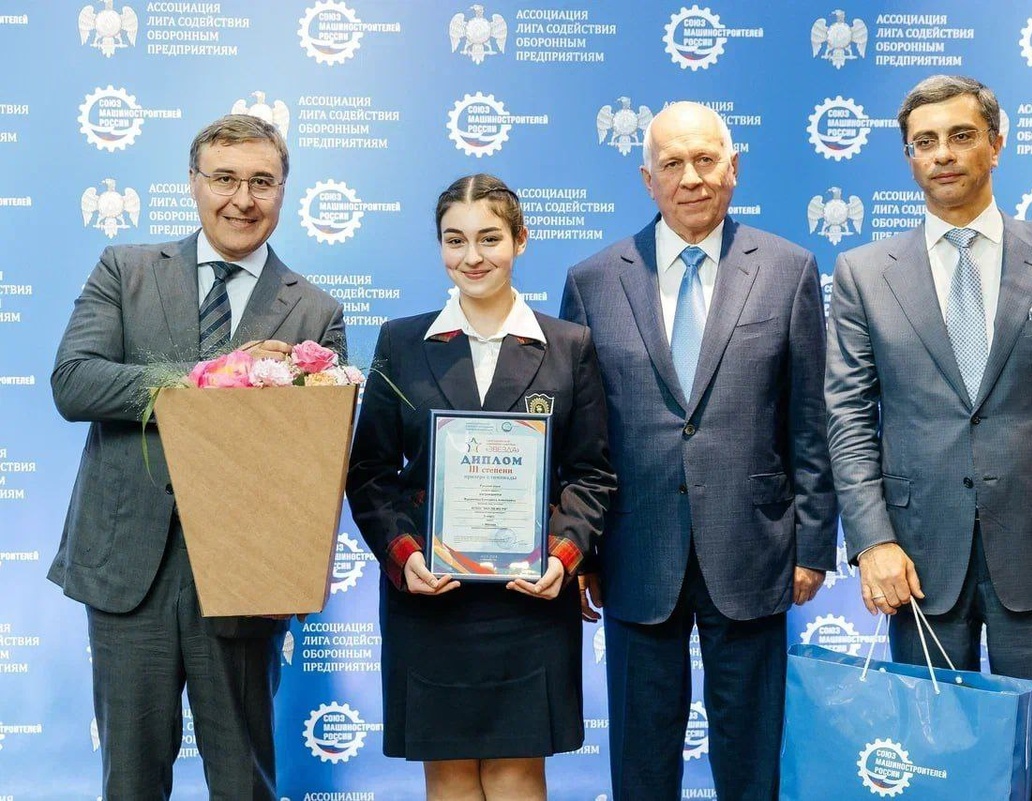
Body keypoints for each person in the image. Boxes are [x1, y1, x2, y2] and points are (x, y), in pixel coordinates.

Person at [824, 75, 1032, 800]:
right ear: (909, 158)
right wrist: (872, 542)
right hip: (917, 561)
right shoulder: (864, 274)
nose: (942, 154)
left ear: (996, 144)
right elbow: (848, 420)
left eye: (961, 136)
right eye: (924, 142)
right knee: (931, 776)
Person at [50, 114, 345, 800]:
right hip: (129, 568)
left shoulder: (316, 313)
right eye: (225, 179)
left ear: (283, 191)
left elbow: (313, 457)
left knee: (243, 781)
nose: (243, 198)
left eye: (262, 182)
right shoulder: (124, 270)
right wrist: (210, 379)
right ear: (193, 183)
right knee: (130, 780)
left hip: (248, 577)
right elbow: (74, 382)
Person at [560, 102, 837, 800]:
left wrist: (812, 546)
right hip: (633, 551)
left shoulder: (789, 269)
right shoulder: (593, 280)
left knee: (750, 756)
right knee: (641, 758)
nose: (691, 178)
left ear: (733, 168)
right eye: (673, 163)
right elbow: (579, 438)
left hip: (753, 547)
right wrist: (580, 550)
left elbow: (810, 421)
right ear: (647, 179)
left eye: (706, 160)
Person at [346, 173, 614, 801]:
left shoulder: (568, 346)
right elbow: (370, 472)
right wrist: (405, 556)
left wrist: (563, 557)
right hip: (430, 597)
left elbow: (592, 474)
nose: (472, 256)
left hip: (530, 599)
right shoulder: (402, 342)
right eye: (455, 240)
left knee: (517, 774)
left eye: (489, 238)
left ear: (520, 239)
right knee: (449, 776)